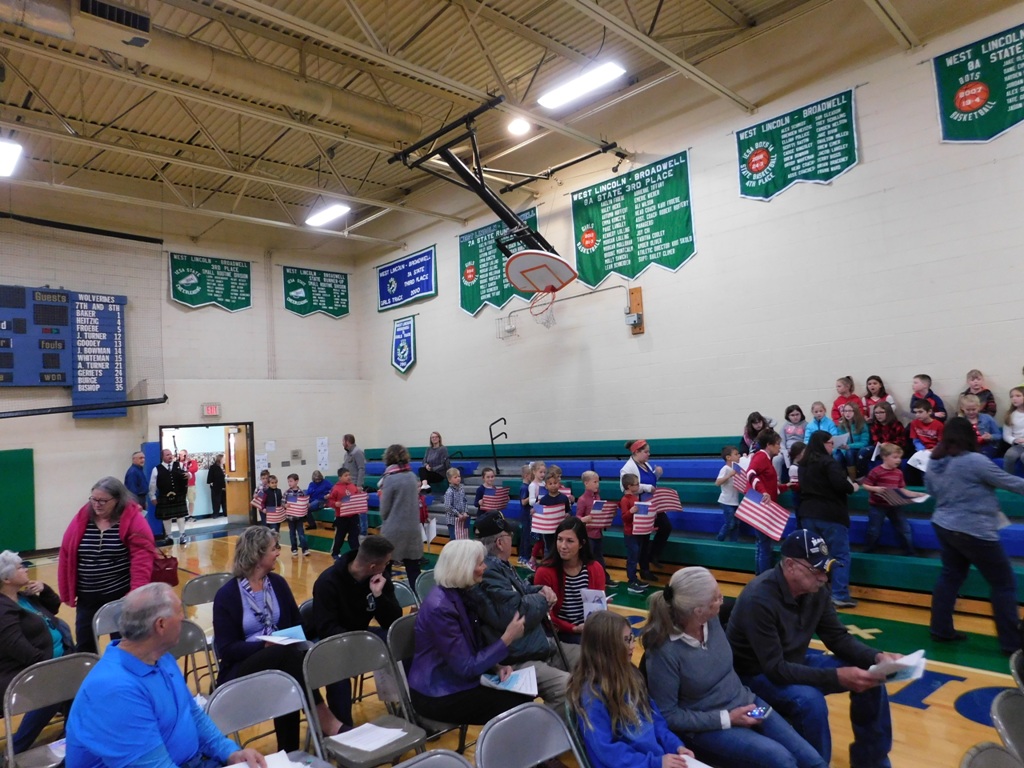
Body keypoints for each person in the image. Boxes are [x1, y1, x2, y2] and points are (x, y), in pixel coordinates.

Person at [727, 529, 898, 768]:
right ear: (790, 565)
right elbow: (775, 669)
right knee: (810, 701)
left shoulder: (815, 591)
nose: (824, 577)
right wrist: (837, 676)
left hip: (791, 662)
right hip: (754, 676)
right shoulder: (759, 598)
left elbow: (837, 637)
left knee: (871, 674)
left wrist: (876, 656)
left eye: (825, 569)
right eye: (816, 570)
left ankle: (871, 762)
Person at [65, 582, 266, 768]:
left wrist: (230, 753)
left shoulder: (161, 657)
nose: (184, 619)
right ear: (160, 625)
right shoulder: (114, 689)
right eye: (179, 612)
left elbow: (192, 714)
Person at [644, 567, 826, 768]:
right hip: (709, 727)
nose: (722, 599)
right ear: (698, 611)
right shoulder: (663, 652)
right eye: (716, 598)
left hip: (748, 703)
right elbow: (668, 715)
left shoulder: (711, 619)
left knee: (813, 760)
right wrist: (727, 718)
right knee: (782, 760)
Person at [213, 527, 343, 749]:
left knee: (289, 669)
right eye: (274, 549)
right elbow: (227, 649)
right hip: (241, 667)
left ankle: (289, 753)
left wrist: (291, 638)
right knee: (285, 657)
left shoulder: (278, 583)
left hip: (283, 661)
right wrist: (264, 645)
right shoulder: (227, 595)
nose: (278, 553)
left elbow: (297, 625)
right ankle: (325, 719)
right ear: (257, 553)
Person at [926, 417, 1024, 653]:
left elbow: (931, 490)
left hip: (944, 526)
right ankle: (1012, 643)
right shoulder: (974, 460)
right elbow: (1013, 483)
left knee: (950, 577)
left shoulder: (935, 461)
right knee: (1003, 584)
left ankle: (940, 629)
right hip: (974, 530)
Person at [408, 539, 530, 724]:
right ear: (464, 568)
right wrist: (507, 638)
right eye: (480, 563)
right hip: (437, 693)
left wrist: (496, 666)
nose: (485, 567)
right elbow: (466, 667)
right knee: (519, 706)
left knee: (523, 699)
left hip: (455, 680)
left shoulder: (462, 593)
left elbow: (471, 647)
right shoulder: (440, 608)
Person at [467, 511, 580, 706]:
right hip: (518, 658)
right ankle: (550, 726)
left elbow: (521, 592)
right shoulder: (489, 571)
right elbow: (514, 614)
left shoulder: (500, 565)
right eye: (510, 535)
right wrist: (543, 599)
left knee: (597, 659)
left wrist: (540, 589)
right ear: (500, 543)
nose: (512, 539)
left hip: (536, 646)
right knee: (566, 688)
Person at [567, 610, 694, 768]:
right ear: (606, 647)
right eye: (626, 640)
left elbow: (654, 720)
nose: (632, 645)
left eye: (631, 638)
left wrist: (675, 746)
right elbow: (609, 753)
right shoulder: (591, 697)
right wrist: (655, 763)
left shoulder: (632, 675)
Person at [312, 535, 401, 727]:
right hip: (332, 642)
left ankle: (410, 707)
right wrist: (358, 645)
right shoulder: (327, 582)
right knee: (337, 666)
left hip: (361, 634)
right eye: (386, 563)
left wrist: (378, 596)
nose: (388, 566)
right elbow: (326, 628)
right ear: (373, 566)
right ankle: (343, 728)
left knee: (400, 639)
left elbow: (392, 621)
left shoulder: (381, 577)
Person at [59, 476, 155, 653]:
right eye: (93, 499)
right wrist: (66, 590)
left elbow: (142, 560)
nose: (97, 505)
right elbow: (67, 552)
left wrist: (135, 594)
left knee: (123, 647)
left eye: (103, 501)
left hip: (120, 598)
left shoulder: (132, 519)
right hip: (87, 597)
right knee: (85, 647)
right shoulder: (83, 517)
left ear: (118, 500)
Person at [0, 551, 75, 755]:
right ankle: (16, 748)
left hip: (52, 661)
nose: (26, 569)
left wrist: (45, 589)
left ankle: (70, 736)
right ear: (6, 579)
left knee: (77, 678)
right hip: (20, 671)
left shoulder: (24, 596)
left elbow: (53, 609)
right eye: (20, 567)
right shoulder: (3, 610)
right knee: (58, 687)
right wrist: (52, 667)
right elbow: (19, 649)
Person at [796, 432, 858, 608]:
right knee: (839, 555)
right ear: (822, 444)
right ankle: (839, 594)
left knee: (813, 556)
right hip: (830, 514)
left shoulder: (803, 464)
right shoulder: (828, 462)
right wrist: (853, 487)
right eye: (830, 443)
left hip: (808, 513)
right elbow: (841, 485)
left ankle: (811, 592)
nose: (833, 446)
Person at [534, 517, 605, 644]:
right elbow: (545, 616)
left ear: (582, 544)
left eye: (570, 541)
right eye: (560, 539)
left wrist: (602, 604)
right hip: (560, 632)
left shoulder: (595, 568)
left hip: (589, 627)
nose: (563, 546)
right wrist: (573, 628)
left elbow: (597, 607)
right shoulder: (545, 571)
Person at [378, 444, 425, 591]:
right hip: (413, 529)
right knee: (414, 571)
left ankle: (387, 600)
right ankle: (419, 601)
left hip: (394, 530)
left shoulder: (390, 478)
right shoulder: (412, 476)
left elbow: (384, 511)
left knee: (385, 570)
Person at [860, 444, 920, 555]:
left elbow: (901, 488)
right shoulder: (876, 471)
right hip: (877, 506)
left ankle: (910, 551)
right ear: (884, 457)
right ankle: (869, 551)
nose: (898, 460)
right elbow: (865, 485)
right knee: (874, 530)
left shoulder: (899, 473)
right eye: (895, 457)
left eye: (900, 458)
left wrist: (909, 495)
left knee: (905, 529)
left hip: (894, 505)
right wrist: (875, 489)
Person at [620, 439, 671, 565]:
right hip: (641, 506)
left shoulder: (646, 465)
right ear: (637, 452)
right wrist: (647, 488)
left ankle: (653, 555)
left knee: (666, 527)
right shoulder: (627, 468)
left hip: (652, 504)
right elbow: (625, 488)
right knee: (645, 537)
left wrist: (657, 474)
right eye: (646, 452)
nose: (649, 454)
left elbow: (650, 481)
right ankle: (645, 566)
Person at [745, 429, 788, 576]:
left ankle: (759, 576)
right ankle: (764, 578)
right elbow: (750, 473)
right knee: (765, 545)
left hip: (762, 504)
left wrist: (787, 486)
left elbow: (771, 487)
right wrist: (763, 491)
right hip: (761, 506)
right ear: (769, 445)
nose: (779, 447)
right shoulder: (761, 457)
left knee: (761, 544)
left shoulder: (765, 458)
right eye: (777, 444)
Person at [575, 470, 614, 585]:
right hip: (588, 535)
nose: (597, 484)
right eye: (595, 482)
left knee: (599, 557)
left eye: (598, 482)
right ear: (586, 483)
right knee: (588, 558)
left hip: (598, 533)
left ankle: (604, 578)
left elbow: (600, 513)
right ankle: (586, 579)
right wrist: (584, 519)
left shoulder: (597, 496)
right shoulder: (582, 499)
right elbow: (578, 516)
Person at [149, 448, 190, 545]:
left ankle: (182, 535)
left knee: (180, 516)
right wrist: (152, 497)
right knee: (166, 517)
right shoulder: (156, 469)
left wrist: (189, 475)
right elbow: (152, 484)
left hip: (179, 495)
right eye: (167, 455)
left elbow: (188, 474)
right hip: (164, 496)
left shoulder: (179, 465)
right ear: (162, 457)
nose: (170, 456)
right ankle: (169, 536)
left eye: (170, 454)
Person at [619, 473, 649, 594]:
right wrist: (631, 512)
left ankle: (634, 578)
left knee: (636, 555)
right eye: (636, 484)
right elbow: (624, 518)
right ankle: (631, 581)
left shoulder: (635, 498)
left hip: (637, 531)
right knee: (632, 556)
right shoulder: (625, 500)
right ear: (629, 486)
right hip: (630, 533)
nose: (638, 486)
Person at [328, 468, 362, 559]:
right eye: (346, 475)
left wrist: (362, 496)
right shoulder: (336, 488)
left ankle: (357, 553)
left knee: (354, 535)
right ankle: (335, 553)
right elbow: (330, 501)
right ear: (340, 477)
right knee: (340, 536)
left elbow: (357, 497)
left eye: (349, 475)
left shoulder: (353, 486)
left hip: (353, 515)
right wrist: (335, 504)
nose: (348, 477)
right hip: (342, 517)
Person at [835, 402, 869, 479]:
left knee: (849, 453)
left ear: (855, 411)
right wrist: (844, 450)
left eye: (850, 411)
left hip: (857, 449)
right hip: (845, 449)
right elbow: (840, 441)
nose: (847, 413)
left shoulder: (862, 424)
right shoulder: (841, 425)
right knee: (837, 457)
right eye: (845, 411)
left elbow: (864, 442)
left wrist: (849, 446)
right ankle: (843, 479)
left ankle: (853, 478)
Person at [342, 434, 367, 535]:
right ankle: (353, 529)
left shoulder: (357, 452)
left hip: (356, 485)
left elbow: (361, 468)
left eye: (343, 441)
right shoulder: (346, 455)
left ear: (347, 442)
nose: (342, 443)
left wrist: (359, 485)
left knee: (360, 509)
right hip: (348, 486)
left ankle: (363, 532)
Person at [776, 406, 807, 481]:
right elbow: (781, 440)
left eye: (797, 414)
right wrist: (784, 451)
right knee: (776, 459)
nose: (795, 417)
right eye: (792, 415)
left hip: (800, 450)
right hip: (787, 450)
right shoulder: (785, 425)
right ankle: (777, 481)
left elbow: (807, 439)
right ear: (788, 416)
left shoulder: (805, 425)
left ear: (801, 414)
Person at [283, 474, 310, 557]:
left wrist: (307, 504)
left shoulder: (301, 492)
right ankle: (294, 549)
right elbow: (282, 502)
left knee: (301, 533)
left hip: (299, 518)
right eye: (288, 481)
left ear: (296, 481)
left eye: (291, 481)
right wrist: (285, 505)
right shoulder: (287, 492)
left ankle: (305, 549)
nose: (289, 483)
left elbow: (305, 502)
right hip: (290, 517)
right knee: (292, 533)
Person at [443, 467, 471, 540]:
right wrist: (458, 514)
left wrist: (465, 512)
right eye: (455, 477)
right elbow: (448, 507)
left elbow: (465, 501)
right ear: (449, 480)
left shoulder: (461, 489)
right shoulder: (449, 492)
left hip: (462, 518)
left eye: (459, 476)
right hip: (453, 521)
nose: (458, 478)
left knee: (463, 538)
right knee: (454, 539)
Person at [1003, 387, 1024, 476]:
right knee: (1009, 455)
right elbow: (1006, 435)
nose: (1014, 399)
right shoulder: (1010, 415)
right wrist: (1014, 440)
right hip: (1018, 445)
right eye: (1012, 396)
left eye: (1018, 396)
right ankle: (1008, 479)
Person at [208, 453, 227, 518]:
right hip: (216, 487)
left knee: (225, 501)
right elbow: (210, 477)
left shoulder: (226, 466)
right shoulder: (213, 467)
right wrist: (211, 484)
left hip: (225, 486)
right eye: (224, 459)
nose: (225, 460)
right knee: (216, 501)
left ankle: (226, 512)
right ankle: (215, 513)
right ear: (220, 459)